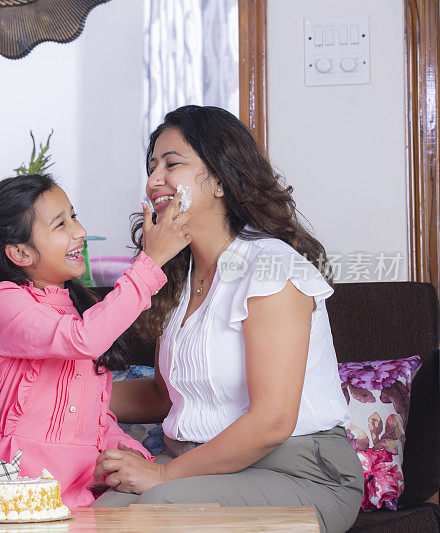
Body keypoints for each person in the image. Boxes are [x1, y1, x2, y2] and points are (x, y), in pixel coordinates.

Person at [92, 106, 364, 533]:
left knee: (153, 509)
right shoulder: (177, 279)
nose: (153, 180)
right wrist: (65, 392)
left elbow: (272, 421)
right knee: (97, 515)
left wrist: (161, 475)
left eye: (172, 163)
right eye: (151, 167)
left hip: (299, 474)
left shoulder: (270, 265)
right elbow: (165, 397)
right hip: (198, 468)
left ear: (219, 178)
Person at [0, 173, 190, 507]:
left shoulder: (85, 307)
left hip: (76, 486)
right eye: (60, 224)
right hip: (11, 477)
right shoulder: (4, 302)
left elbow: (91, 406)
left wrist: (121, 448)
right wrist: (149, 264)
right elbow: (83, 340)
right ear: (21, 253)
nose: (79, 231)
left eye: (74, 216)